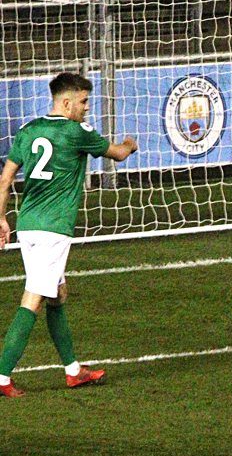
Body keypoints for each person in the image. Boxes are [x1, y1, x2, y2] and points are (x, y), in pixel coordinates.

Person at [0, 72, 138, 398]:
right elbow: (117, 154)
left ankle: (73, 371)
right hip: (53, 229)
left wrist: (1, 219)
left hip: (29, 224)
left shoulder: (28, 130)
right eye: (84, 101)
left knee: (57, 294)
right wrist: (130, 145)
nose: (87, 108)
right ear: (66, 102)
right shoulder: (76, 133)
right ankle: (2, 375)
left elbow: (5, 180)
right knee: (33, 298)